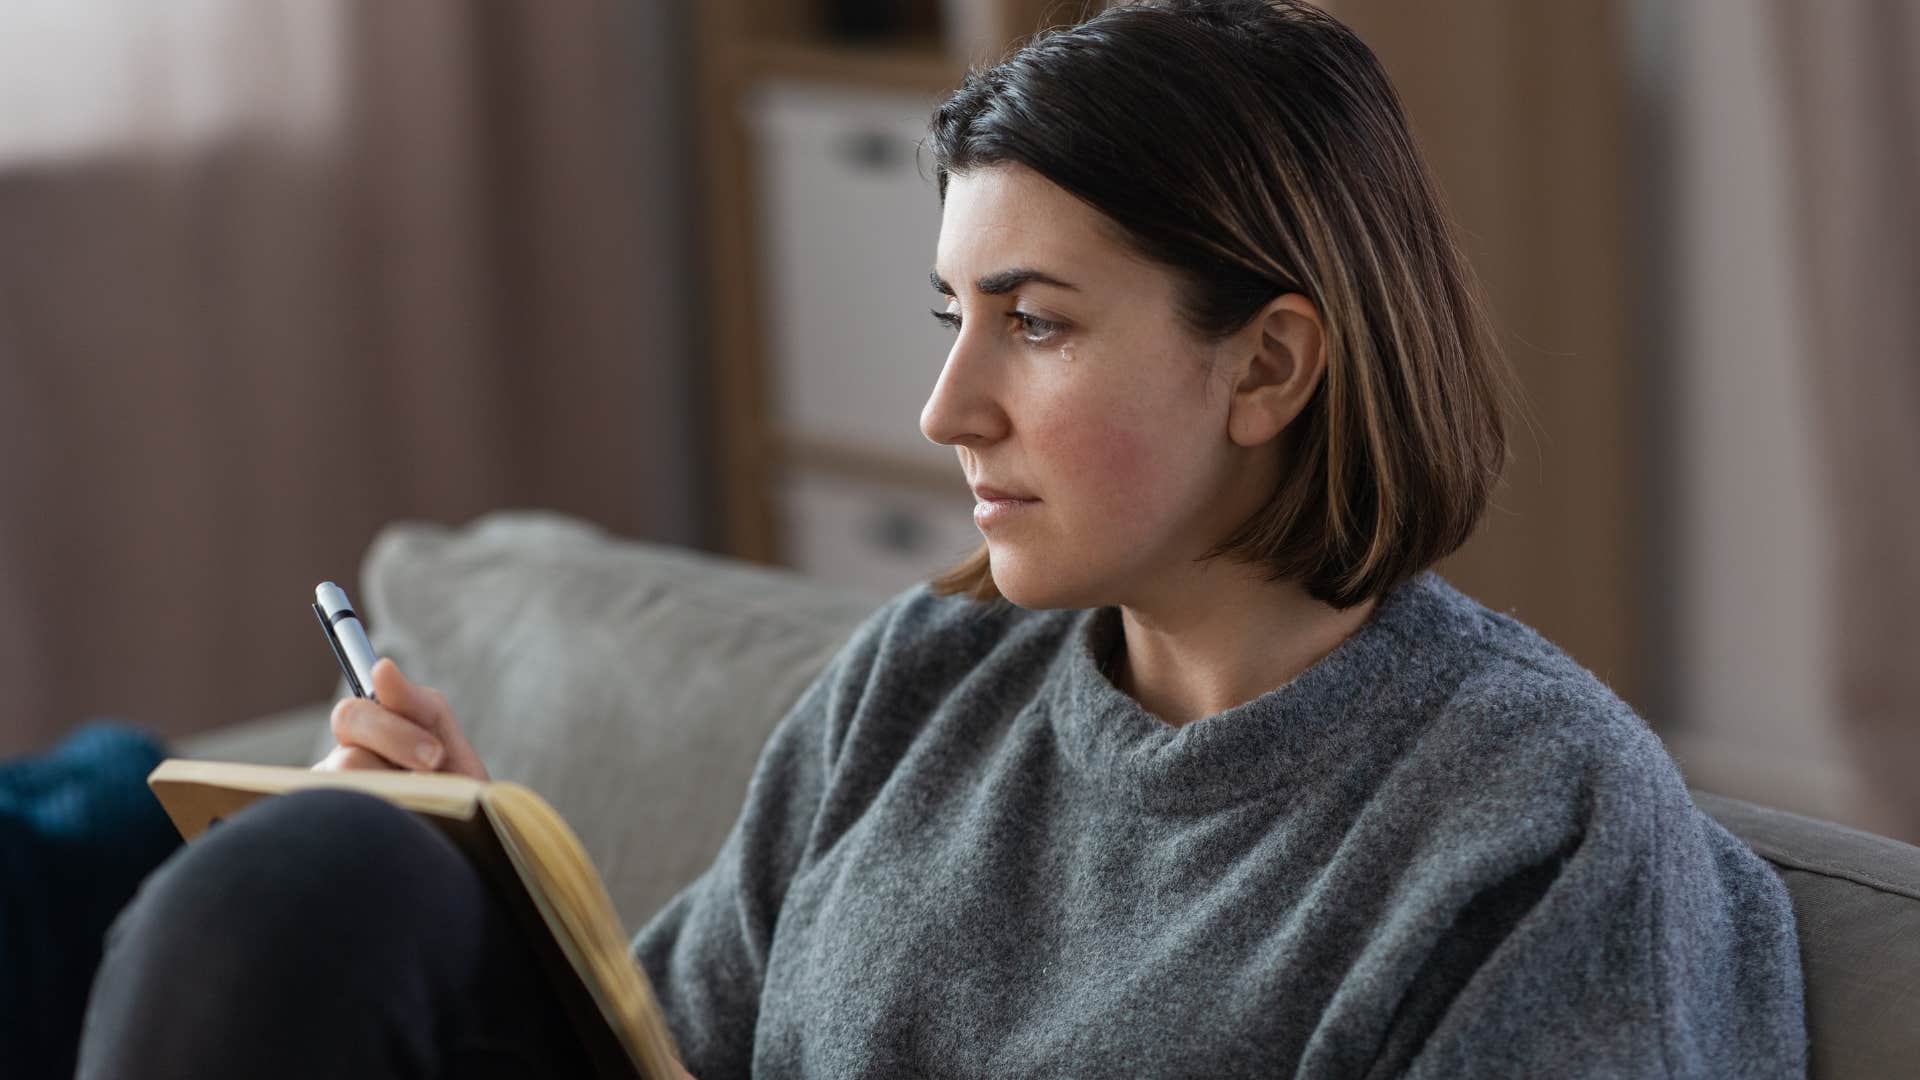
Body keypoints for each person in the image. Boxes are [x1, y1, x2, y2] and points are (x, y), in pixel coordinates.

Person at [78, 1, 1809, 1077]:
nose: (947, 407)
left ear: (1269, 364)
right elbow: (665, 1040)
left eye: (1036, 325)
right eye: (950, 318)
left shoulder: (1540, 820)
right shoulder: (923, 681)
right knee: (321, 876)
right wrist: (486, 879)